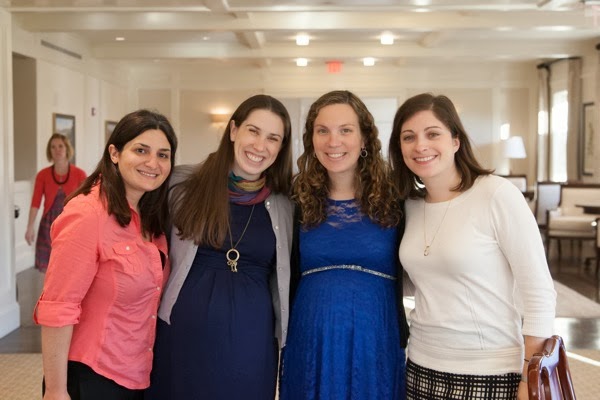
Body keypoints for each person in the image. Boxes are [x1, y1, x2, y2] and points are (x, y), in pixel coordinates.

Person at [388, 92, 556, 400]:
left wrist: (528, 376)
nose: (420, 145)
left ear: (455, 141)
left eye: (432, 134)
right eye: (408, 137)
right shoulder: (408, 206)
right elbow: (421, 281)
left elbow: (539, 291)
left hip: (490, 369)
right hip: (421, 364)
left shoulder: (496, 195)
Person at [145, 94, 293, 400]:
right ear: (234, 130)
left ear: (281, 147)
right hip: (182, 336)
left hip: (251, 344)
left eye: (273, 138)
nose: (260, 145)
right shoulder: (182, 184)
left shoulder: (287, 203)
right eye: (253, 131)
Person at [33, 109, 178, 400]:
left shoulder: (151, 215)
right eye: (141, 150)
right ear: (114, 153)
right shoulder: (88, 214)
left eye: (163, 155)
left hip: (137, 372)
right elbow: (58, 308)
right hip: (92, 375)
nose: (153, 163)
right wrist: (56, 391)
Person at [279, 90, 409, 400]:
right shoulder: (294, 199)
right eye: (322, 130)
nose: (333, 141)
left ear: (364, 139)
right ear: (312, 139)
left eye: (345, 130)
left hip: (376, 337)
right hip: (310, 337)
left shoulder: (397, 197)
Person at [25, 133, 87, 272]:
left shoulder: (80, 174)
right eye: (53, 147)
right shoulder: (42, 175)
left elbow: (88, 203)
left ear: (67, 148)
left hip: (71, 225)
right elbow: (35, 203)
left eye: (60, 146)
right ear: (49, 151)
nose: (57, 150)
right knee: (48, 269)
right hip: (48, 227)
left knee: (69, 267)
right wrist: (30, 227)